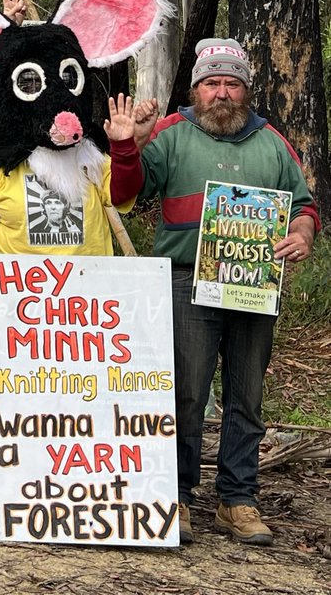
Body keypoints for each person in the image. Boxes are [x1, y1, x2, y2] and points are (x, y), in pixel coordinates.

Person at [110, 38, 321, 546]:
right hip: (186, 281)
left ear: (245, 90)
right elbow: (123, 193)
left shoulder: (271, 140)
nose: (221, 92)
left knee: (246, 396)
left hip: (253, 283)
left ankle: (237, 499)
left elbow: (305, 205)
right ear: (196, 89)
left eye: (231, 83)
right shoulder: (170, 133)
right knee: (186, 393)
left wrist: (302, 233)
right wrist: (126, 144)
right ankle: (177, 494)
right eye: (211, 83)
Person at [0, 94, 152, 292]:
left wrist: (124, 148)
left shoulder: (90, 156)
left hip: (89, 295)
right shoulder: (0, 164)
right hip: (20, 298)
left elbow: (122, 194)